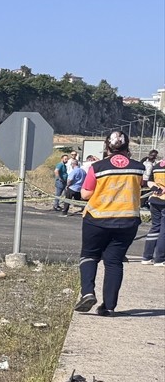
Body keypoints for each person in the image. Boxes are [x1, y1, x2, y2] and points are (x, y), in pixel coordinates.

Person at [74, 131, 145, 316]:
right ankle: (109, 306)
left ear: (107, 147)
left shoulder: (97, 167)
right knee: (114, 262)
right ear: (127, 147)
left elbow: (85, 194)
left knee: (89, 256)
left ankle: (88, 292)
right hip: (128, 221)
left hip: (97, 219)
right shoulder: (138, 168)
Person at [140, 155, 165, 265]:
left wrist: (157, 188)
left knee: (155, 228)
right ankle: (160, 258)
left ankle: (147, 257)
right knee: (164, 231)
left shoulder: (157, 166)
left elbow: (149, 182)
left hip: (155, 199)